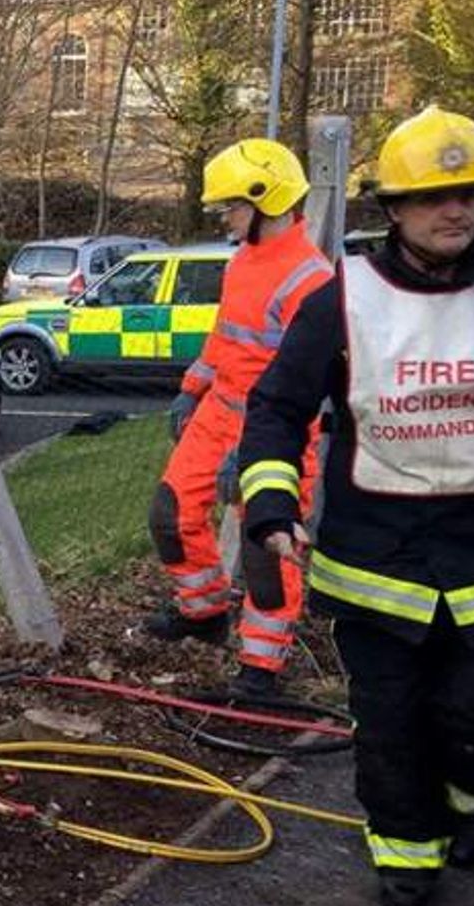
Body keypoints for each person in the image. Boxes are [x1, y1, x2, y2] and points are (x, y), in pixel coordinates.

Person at [238, 107, 474, 906]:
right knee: (390, 728)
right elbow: (276, 409)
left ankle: (465, 801)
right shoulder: (340, 301)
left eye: (470, 194)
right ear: (392, 209)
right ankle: (406, 863)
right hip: (376, 563)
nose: (455, 210)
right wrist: (272, 506)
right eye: (432, 197)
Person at [143, 137, 334, 700]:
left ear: (266, 200)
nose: (225, 216)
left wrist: (250, 450)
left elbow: (305, 381)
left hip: (275, 432)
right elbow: (226, 337)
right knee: (169, 514)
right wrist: (191, 390)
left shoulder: (311, 280)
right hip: (218, 413)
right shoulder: (245, 261)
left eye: (231, 205)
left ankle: (261, 669)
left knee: (266, 545)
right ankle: (202, 614)